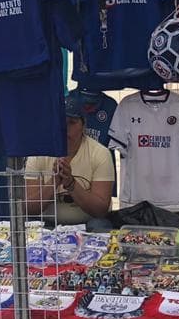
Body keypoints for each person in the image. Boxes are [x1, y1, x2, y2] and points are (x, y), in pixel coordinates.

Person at [24, 93, 114, 229]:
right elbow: (28, 209)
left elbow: (100, 210)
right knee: (30, 227)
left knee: (101, 225)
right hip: (48, 223)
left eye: (71, 123)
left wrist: (71, 184)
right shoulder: (38, 153)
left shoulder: (100, 153)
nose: (65, 129)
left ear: (83, 126)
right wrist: (54, 181)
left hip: (88, 223)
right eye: (60, 123)